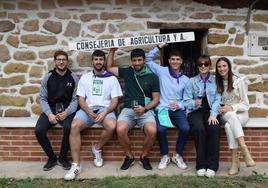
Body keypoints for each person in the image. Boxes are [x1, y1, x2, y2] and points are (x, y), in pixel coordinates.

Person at [64, 50, 123, 180]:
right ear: (92, 61)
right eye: (96, 59)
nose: (98, 62)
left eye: (101, 59)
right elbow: (80, 99)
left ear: (104, 61)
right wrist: (87, 110)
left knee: (112, 126)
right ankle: (76, 165)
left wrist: (105, 112)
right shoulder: (85, 77)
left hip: (105, 109)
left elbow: (115, 101)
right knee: (74, 126)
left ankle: (97, 149)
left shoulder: (111, 78)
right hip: (88, 109)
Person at [106, 48, 160, 170]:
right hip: (128, 109)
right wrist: (112, 51)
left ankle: (143, 156)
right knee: (120, 129)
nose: (136, 63)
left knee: (152, 131)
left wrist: (145, 109)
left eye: (139, 60)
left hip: (145, 110)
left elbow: (156, 99)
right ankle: (129, 157)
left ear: (144, 60)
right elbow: (109, 68)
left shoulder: (152, 77)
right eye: (134, 60)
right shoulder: (128, 72)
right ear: (131, 61)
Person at [145, 44, 190, 170]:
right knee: (160, 130)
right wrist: (158, 47)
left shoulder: (186, 80)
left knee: (185, 128)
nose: (175, 61)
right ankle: (165, 156)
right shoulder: (162, 71)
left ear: (181, 61)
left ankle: (177, 155)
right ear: (169, 61)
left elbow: (187, 99)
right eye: (173, 59)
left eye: (178, 59)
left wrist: (179, 105)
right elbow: (148, 59)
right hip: (162, 109)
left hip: (177, 110)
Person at [35, 50, 79, 171]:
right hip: (51, 110)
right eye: (58, 60)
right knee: (39, 130)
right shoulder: (47, 77)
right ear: (55, 62)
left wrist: (67, 112)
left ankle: (63, 158)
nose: (61, 62)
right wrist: (49, 114)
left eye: (63, 60)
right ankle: (52, 158)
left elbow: (76, 100)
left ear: (67, 62)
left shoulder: (73, 78)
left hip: (67, 111)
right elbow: (43, 98)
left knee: (68, 127)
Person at [215, 57, 255, 176]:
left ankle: (235, 161)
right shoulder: (217, 83)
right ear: (217, 69)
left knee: (228, 126)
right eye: (219, 67)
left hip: (241, 114)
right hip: (225, 114)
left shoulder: (239, 81)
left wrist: (232, 107)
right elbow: (215, 102)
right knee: (230, 117)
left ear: (229, 67)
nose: (222, 69)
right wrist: (222, 108)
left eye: (224, 66)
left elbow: (246, 104)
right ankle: (245, 150)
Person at [184, 55, 221, 178]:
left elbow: (217, 99)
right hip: (196, 110)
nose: (203, 66)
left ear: (210, 65)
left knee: (213, 127)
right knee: (199, 129)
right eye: (201, 64)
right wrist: (194, 103)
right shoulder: (192, 81)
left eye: (206, 64)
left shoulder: (216, 81)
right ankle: (201, 165)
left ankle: (212, 165)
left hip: (211, 109)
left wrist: (213, 114)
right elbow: (186, 101)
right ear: (198, 66)